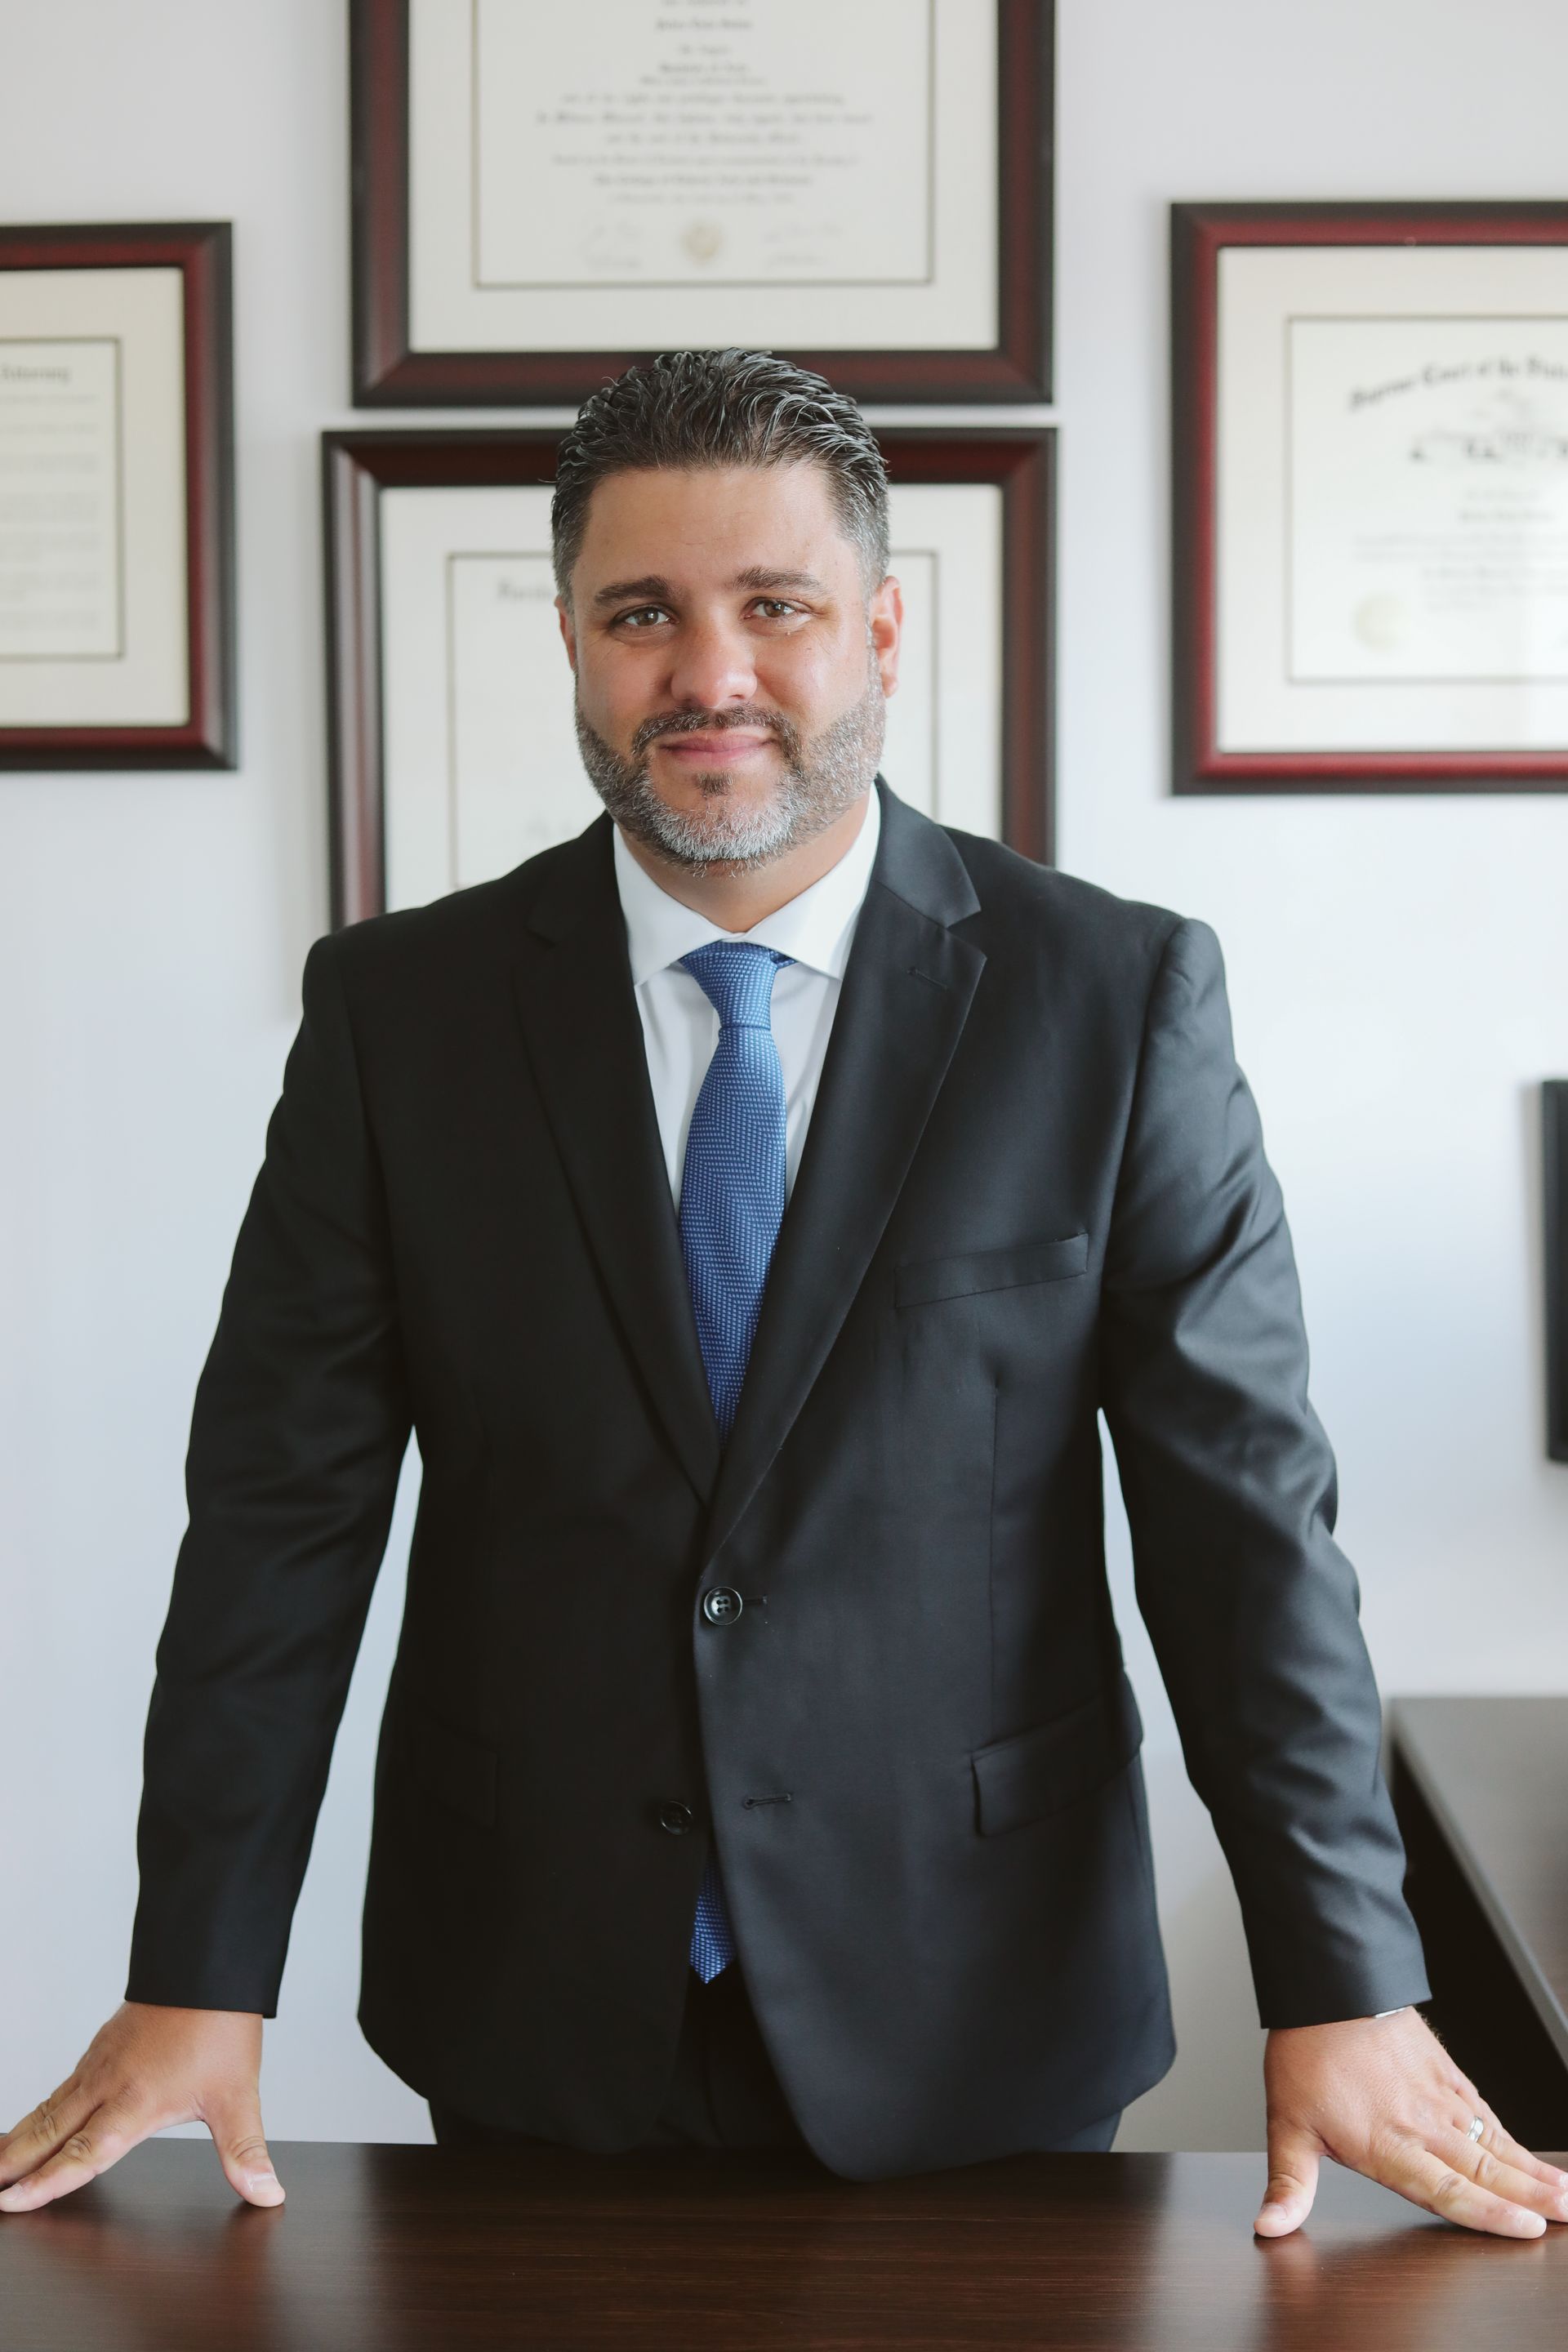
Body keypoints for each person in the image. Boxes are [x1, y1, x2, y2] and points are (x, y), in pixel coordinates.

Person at [2, 350, 1564, 2243]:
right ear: (571, 640)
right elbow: (277, 1529)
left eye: (776, 606)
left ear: (881, 628)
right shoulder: (398, 1018)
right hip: (531, 1995)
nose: (710, 673)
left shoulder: (1114, 1002)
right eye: (641, 615)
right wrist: (196, 1970)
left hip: (984, 1997)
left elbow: (1245, 1535)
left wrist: (1347, 1981)